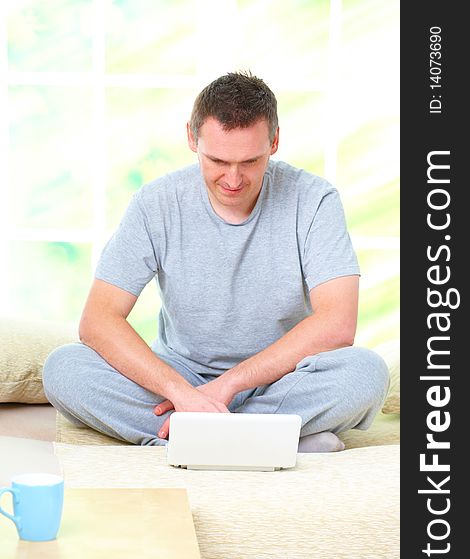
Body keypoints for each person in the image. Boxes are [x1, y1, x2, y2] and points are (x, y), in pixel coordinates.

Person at [43, 72, 389, 452]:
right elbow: (98, 321)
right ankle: (271, 439)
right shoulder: (155, 203)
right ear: (192, 139)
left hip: (281, 379)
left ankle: (194, 440)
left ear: (274, 142)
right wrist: (181, 393)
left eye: (250, 161)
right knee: (65, 369)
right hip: (180, 379)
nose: (234, 178)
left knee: (365, 374)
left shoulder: (315, 200)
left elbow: (338, 325)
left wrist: (229, 385)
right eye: (218, 160)